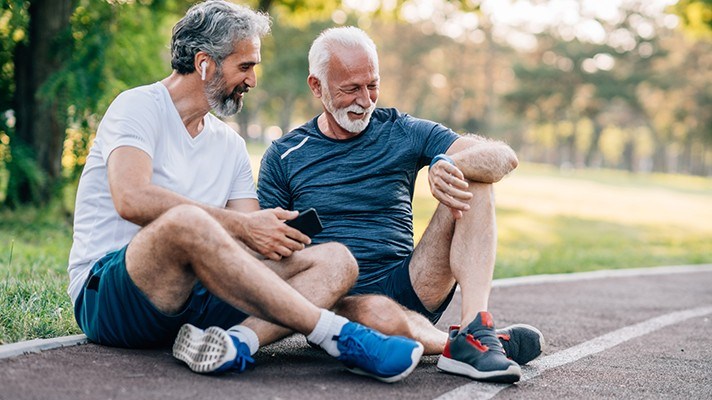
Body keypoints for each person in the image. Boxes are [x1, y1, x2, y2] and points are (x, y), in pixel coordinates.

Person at [67, 2, 423, 383]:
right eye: (245, 66)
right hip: (111, 296)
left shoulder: (230, 145)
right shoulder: (138, 107)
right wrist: (242, 225)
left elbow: (250, 242)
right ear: (205, 63)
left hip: (193, 301)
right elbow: (131, 198)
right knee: (186, 221)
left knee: (337, 260)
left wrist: (274, 233)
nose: (253, 80)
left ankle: (235, 343)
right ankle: (338, 336)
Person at [258, 26, 544, 384]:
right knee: (379, 317)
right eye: (351, 89)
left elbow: (504, 156)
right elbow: (266, 254)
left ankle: (475, 327)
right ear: (317, 86)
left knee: (477, 178)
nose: (365, 99)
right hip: (337, 298)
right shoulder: (284, 155)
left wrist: (449, 164)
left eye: (372, 85)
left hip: (411, 281)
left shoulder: (401, 129)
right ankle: (457, 344)